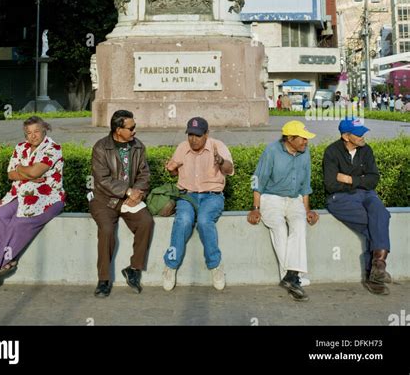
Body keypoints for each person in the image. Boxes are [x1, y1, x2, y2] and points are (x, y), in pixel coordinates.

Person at [0, 116, 65, 289]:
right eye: (28, 133)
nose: (33, 136)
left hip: (48, 198)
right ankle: (10, 259)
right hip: (20, 194)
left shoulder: (53, 148)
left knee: (17, 223)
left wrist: (21, 169)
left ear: (44, 130)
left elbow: (34, 172)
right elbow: (11, 174)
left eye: (36, 131)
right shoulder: (20, 147)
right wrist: (27, 174)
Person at [247, 120, 319, 302]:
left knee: (300, 226)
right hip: (271, 198)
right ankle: (293, 277)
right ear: (289, 138)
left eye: (306, 139)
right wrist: (255, 208)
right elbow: (257, 180)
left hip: (294, 199)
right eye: (302, 139)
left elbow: (305, 184)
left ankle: (290, 276)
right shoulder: (271, 151)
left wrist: (307, 209)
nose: (306, 142)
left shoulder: (305, 153)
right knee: (279, 228)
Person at [162, 117, 234, 292]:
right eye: (190, 135)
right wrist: (171, 170)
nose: (193, 139)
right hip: (187, 196)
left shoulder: (218, 146)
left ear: (206, 134)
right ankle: (170, 266)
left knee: (204, 221)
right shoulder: (182, 147)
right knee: (183, 221)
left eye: (198, 135)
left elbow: (229, 170)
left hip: (212, 196)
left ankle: (215, 266)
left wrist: (221, 162)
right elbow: (173, 172)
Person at [322, 117, 391, 295]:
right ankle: (375, 273)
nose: (363, 136)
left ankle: (377, 267)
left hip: (366, 195)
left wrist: (348, 178)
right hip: (340, 198)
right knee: (374, 224)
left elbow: (373, 179)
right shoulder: (331, 152)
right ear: (346, 136)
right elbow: (330, 185)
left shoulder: (366, 150)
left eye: (363, 132)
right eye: (358, 134)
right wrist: (360, 182)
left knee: (381, 214)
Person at [89, 109, 153, 298]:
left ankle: (134, 269)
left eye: (134, 127)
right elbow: (102, 179)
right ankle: (103, 280)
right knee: (107, 230)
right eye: (131, 128)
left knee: (146, 222)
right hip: (104, 200)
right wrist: (127, 191)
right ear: (118, 129)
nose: (135, 131)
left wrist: (138, 194)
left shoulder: (138, 146)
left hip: (129, 199)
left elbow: (144, 174)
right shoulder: (101, 148)